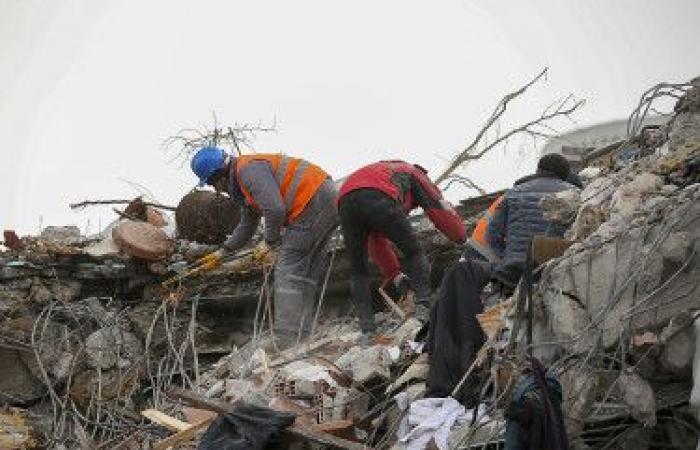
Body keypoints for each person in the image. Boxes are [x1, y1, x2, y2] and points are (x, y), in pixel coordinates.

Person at [425, 153, 580, 405]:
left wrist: (506, 257)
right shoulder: (573, 194)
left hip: (510, 272)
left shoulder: (513, 193)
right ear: (564, 174)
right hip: (551, 269)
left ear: (538, 169)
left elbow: (493, 237)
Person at [190, 147, 338, 348]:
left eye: (212, 182)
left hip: (311, 201)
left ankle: (286, 335)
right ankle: (302, 329)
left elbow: (275, 208)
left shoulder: (248, 170)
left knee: (288, 269)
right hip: (323, 198)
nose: (216, 189)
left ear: (220, 173)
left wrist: (269, 241)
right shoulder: (244, 182)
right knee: (306, 272)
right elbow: (247, 223)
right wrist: (223, 251)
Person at [337, 160, 467, 336]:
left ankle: (367, 330)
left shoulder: (383, 171)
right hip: (379, 194)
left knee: (358, 270)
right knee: (414, 251)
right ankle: (423, 307)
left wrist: (395, 275)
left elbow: (376, 240)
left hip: (345, 199)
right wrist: (462, 238)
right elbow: (438, 208)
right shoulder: (415, 174)